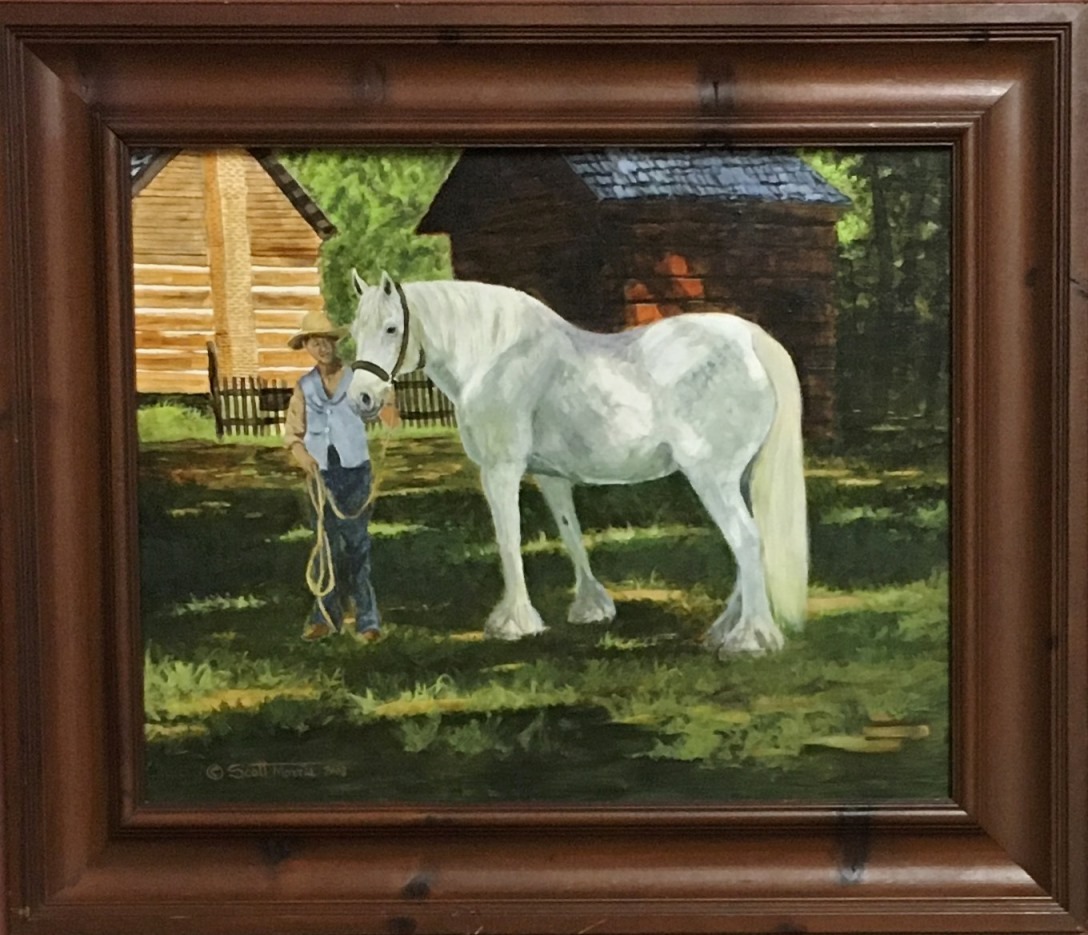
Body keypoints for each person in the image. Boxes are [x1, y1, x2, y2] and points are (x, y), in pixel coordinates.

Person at [283, 309, 381, 643]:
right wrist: (304, 458)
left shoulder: (355, 377)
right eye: (314, 342)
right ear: (307, 347)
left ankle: (368, 620)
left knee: (356, 546)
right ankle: (325, 617)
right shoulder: (305, 386)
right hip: (321, 475)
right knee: (326, 546)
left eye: (327, 341)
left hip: (354, 471)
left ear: (335, 344)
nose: (322, 348)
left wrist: (381, 402)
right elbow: (293, 435)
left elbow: (372, 410)